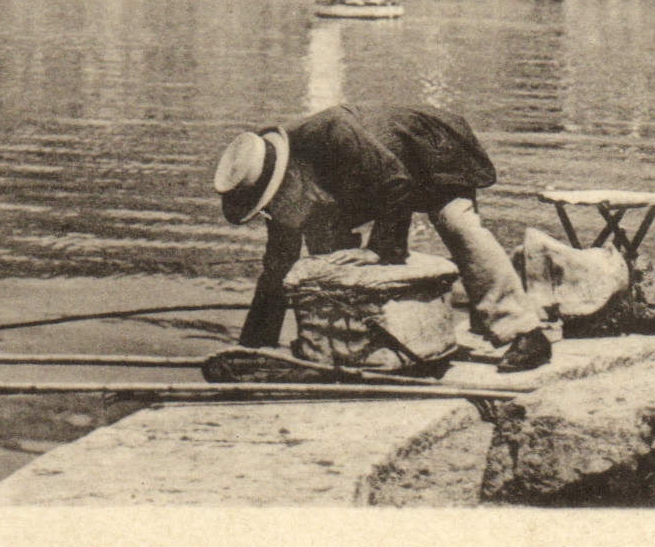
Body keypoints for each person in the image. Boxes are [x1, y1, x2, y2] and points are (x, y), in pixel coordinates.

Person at [214, 104, 552, 372]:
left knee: (456, 224)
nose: (273, 209)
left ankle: (524, 332)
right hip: (379, 176)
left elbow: (396, 183)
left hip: (432, 152)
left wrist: (379, 250)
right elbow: (278, 265)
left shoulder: (334, 132)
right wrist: (253, 348)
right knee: (325, 249)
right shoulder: (274, 185)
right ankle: (349, 344)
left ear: (284, 177)